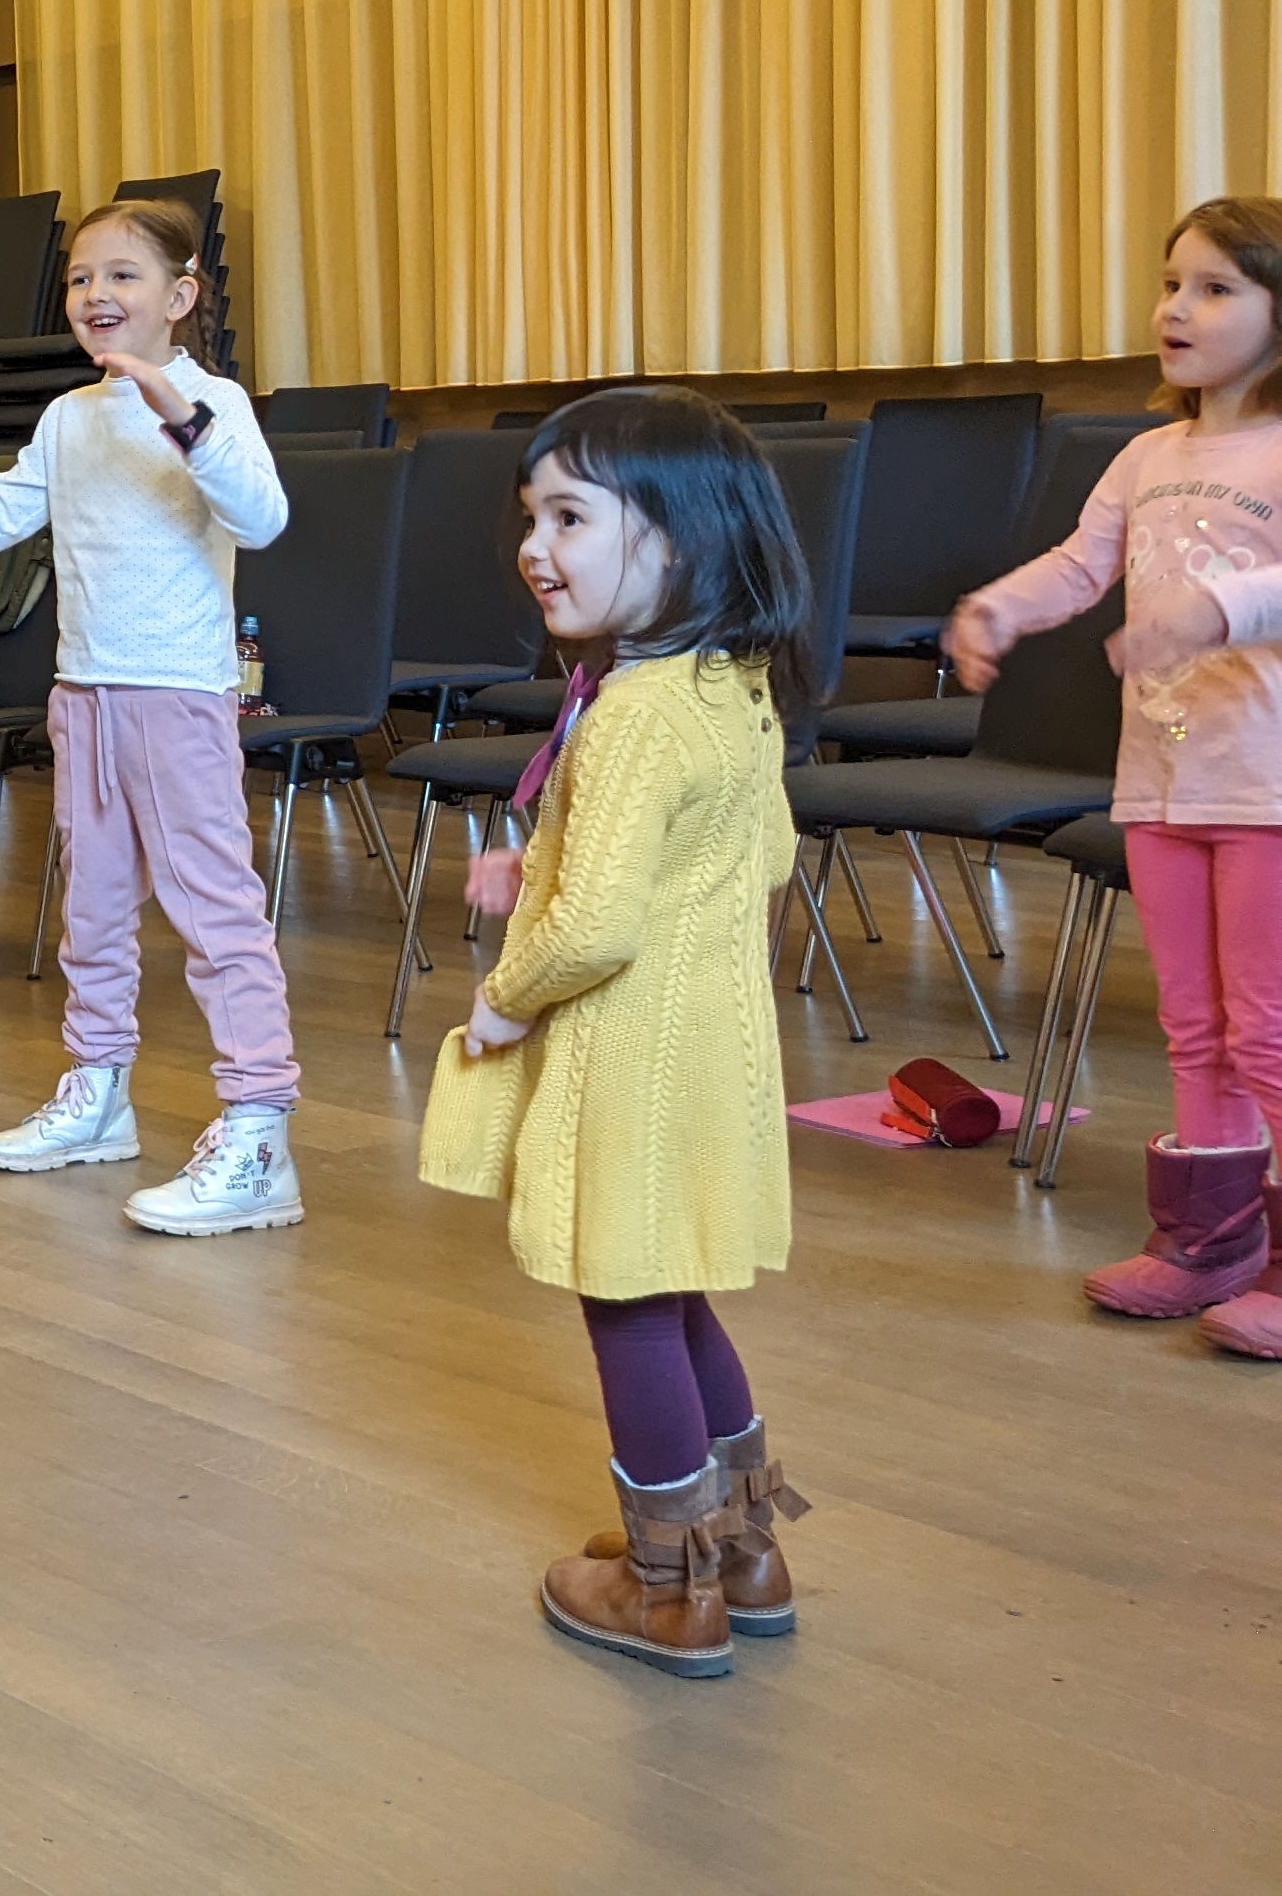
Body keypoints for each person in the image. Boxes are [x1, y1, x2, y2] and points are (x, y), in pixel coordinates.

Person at [418, 387, 814, 1678]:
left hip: (630, 1058)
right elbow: (760, 852)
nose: (536, 547)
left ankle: (667, 1589)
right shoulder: (729, 686)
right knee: (678, 1289)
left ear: (682, 538)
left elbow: (593, 930)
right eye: (532, 517)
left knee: (629, 1306)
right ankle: (740, 1551)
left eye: (572, 518)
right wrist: (543, 865)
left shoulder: (635, 712)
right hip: (713, 1050)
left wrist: (505, 996)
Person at [0, 197, 305, 1237]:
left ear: (179, 296)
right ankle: (98, 1091)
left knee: (215, 911)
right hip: (82, 693)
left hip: (177, 696)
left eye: (123, 274)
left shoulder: (213, 400)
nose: (95, 292)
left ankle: (260, 1127)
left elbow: (263, 519)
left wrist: (184, 419)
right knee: (91, 905)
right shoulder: (69, 416)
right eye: (82, 277)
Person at [952, 195, 1282, 1359]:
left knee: (1268, 1030)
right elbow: (1079, 563)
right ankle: (1211, 1239)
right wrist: (1000, 607)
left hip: (1264, 788)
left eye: (1216, 288)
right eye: (1171, 283)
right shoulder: (1147, 455)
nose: (1176, 309)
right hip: (1161, 782)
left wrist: (1215, 609)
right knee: (1194, 1025)